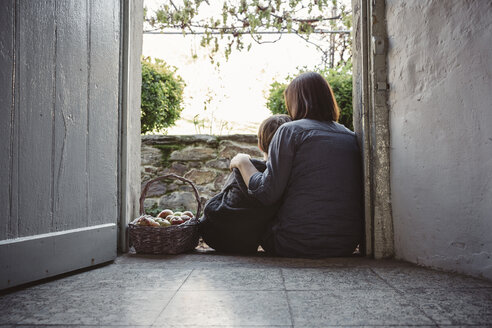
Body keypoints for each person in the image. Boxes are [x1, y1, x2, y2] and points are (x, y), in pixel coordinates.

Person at [230, 72, 363, 258]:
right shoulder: (349, 135)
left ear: (296, 101)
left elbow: (266, 193)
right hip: (344, 244)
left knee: (245, 181)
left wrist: (243, 162)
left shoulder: (289, 131)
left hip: (294, 242)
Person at [199, 114, 292, 254]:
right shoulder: (287, 177)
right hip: (247, 240)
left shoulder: (246, 165)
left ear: (260, 145)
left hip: (213, 232)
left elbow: (224, 194)